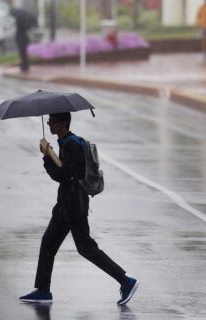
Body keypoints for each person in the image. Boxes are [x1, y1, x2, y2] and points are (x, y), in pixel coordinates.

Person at [19, 112, 139, 305]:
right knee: (48, 243)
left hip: (74, 207)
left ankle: (126, 281)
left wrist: (47, 158)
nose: (50, 124)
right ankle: (42, 290)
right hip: (65, 206)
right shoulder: (66, 142)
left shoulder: (72, 144)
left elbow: (64, 175)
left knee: (86, 248)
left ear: (64, 123)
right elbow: (66, 172)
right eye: (49, 121)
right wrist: (51, 154)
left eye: (53, 122)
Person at [10, 8, 37, 73]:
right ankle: (25, 66)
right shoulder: (25, 20)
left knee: (23, 54)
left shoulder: (20, 20)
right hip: (25, 37)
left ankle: (24, 66)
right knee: (24, 53)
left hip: (21, 38)